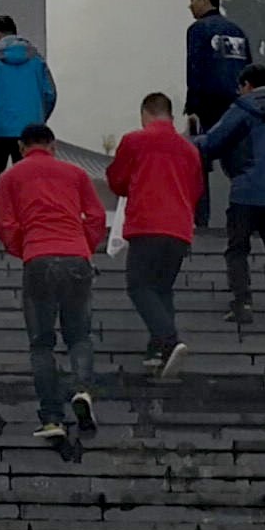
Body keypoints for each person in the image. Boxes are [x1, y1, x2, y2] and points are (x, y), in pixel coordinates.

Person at [0, 119, 110, 454]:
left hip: (38, 258)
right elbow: (97, 217)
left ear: (21, 147)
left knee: (42, 344)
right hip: (76, 258)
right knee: (79, 336)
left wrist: (24, 247)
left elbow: (3, 223)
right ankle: (82, 389)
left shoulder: (10, 176)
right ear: (53, 146)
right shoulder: (75, 174)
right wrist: (83, 245)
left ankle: (52, 417)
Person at [194, 62, 265, 341]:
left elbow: (213, 143)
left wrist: (188, 142)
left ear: (246, 85)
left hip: (246, 192)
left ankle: (242, 304)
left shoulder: (242, 109)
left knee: (237, 249)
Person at [103, 91, 198, 377]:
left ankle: (169, 340)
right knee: (161, 288)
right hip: (179, 228)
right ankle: (157, 350)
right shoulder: (190, 150)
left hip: (147, 223)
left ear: (145, 113)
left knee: (139, 285)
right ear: (170, 115)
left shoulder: (135, 140)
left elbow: (118, 181)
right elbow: (196, 190)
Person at [183, 0, 255, 222]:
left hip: (208, 106)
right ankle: (246, 218)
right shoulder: (238, 32)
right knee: (240, 167)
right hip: (240, 108)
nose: (190, 6)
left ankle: (201, 221)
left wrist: (192, 107)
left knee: (199, 164)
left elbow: (195, 68)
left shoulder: (198, 30)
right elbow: (250, 70)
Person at [0, 14, 56, 193]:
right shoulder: (37, 59)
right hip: (29, 131)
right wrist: (39, 118)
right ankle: (26, 218)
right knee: (28, 182)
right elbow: (50, 93)